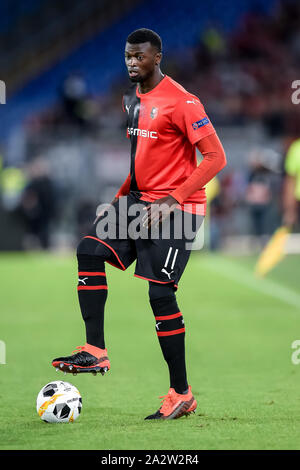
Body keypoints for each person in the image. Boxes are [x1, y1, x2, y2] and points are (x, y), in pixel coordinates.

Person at [52, 28, 226, 420]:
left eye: (139, 57)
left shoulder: (183, 102)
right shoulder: (132, 98)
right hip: (137, 202)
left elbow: (215, 158)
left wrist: (173, 198)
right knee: (89, 250)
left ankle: (181, 393)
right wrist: (116, 202)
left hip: (178, 209)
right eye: (128, 56)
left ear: (157, 57)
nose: (132, 62)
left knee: (160, 296)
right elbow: (139, 159)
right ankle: (94, 350)